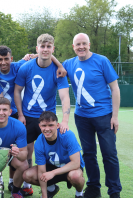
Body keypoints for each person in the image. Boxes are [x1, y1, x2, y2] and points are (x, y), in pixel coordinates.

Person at [0, 45, 67, 195]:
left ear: (11, 59)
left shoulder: (18, 66)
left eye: (6, 59)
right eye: (0, 59)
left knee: (15, 149)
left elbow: (43, 55)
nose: (3, 62)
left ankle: (14, 183)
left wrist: (59, 64)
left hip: (13, 112)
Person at [63, 33, 122, 198]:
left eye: (84, 44)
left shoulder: (102, 61)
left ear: (89, 44)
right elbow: (54, 66)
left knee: (109, 154)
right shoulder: (69, 63)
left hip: (104, 116)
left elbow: (115, 89)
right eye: (77, 44)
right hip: (82, 117)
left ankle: (114, 191)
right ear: (73, 47)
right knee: (88, 154)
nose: (81, 47)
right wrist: (32, 56)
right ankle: (94, 188)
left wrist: (115, 116)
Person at [14, 33, 71, 195]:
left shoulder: (58, 71)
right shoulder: (26, 67)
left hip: (48, 118)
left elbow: (65, 96)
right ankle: (25, 185)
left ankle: (50, 185)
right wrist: (20, 114)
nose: (45, 49)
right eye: (42, 46)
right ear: (37, 48)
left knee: (48, 151)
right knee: (26, 151)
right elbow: (17, 91)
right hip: (28, 116)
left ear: (53, 49)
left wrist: (65, 120)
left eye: (48, 46)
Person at [23, 111, 85, 198]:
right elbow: (41, 171)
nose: (47, 129)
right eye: (44, 125)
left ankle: (79, 194)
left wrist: (53, 173)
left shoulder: (67, 135)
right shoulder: (39, 142)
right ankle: (51, 189)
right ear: (39, 126)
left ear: (57, 125)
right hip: (51, 166)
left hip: (70, 168)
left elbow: (76, 163)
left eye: (51, 125)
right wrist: (44, 196)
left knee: (75, 176)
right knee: (27, 175)